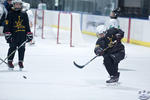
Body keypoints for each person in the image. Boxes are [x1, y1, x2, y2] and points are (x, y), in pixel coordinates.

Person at [3, 0, 33, 71]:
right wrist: (7, 33)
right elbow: (7, 25)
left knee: (22, 48)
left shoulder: (24, 14)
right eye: (16, 4)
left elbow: (27, 25)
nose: (18, 6)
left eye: (19, 4)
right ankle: (10, 61)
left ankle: (20, 62)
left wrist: (29, 33)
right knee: (12, 47)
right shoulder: (10, 13)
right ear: (14, 5)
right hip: (13, 35)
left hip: (22, 34)